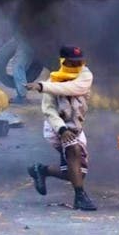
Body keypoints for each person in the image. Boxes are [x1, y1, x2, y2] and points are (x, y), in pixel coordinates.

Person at [27, 46, 97, 211]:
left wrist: (42, 86)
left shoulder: (85, 76)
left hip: (77, 128)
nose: (76, 66)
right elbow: (49, 111)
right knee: (72, 149)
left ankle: (41, 170)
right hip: (56, 128)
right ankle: (80, 196)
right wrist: (62, 130)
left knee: (78, 173)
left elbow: (71, 88)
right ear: (63, 62)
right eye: (72, 63)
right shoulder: (51, 82)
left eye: (79, 62)